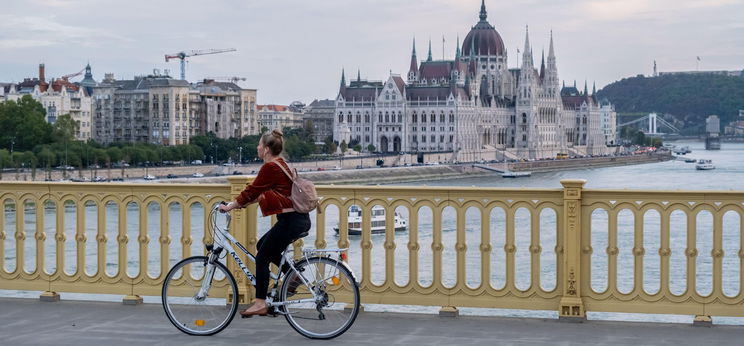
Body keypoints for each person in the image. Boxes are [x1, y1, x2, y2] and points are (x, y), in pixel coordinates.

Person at [219, 129, 311, 318]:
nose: (257, 147)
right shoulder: (281, 164)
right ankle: (292, 277)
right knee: (263, 245)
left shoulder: (270, 167)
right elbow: (264, 194)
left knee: (262, 258)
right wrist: (236, 205)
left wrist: (231, 206)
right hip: (297, 220)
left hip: (290, 222)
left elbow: (252, 191)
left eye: (260, 144)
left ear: (267, 149)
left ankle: (260, 303)